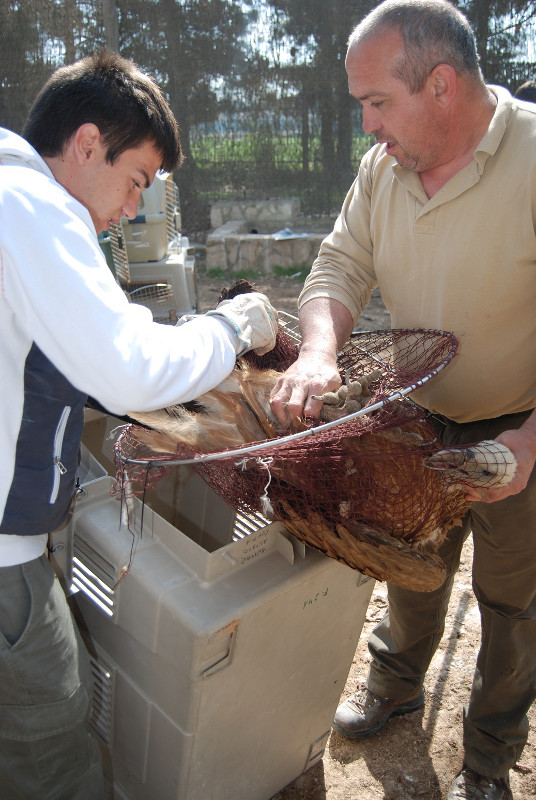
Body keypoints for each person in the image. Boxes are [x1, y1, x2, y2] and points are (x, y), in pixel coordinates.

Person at [269, 2, 536, 799]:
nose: (366, 127)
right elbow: (339, 265)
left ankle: (489, 754)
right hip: (414, 414)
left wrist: (531, 442)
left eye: (377, 103)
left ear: (443, 85)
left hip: (517, 425)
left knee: (513, 602)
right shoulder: (382, 169)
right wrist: (318, 350)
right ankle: (395, 682)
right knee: (412, 563)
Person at [0, 50, 278, 799]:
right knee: (51, 739)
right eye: (136, 182)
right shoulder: (32, 208)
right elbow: (127, 367)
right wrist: (227, 329)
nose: (133, 208)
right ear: (87, 143)